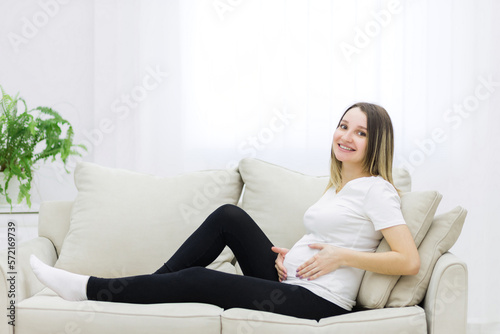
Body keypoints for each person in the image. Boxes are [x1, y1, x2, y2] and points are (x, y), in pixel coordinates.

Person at [30, 102, 420, 321]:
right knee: (228, 217)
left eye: (361, 132)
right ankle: (144, 288)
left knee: (205, 279)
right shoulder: (339, 187)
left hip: (319, 301)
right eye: (343, 126)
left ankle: (88, 288)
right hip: (294, 281)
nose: (346, 136)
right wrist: (293, 256)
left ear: (376, 142)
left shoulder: (377, 190)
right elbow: (329, 235)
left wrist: (341, 257)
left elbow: (408, 260)